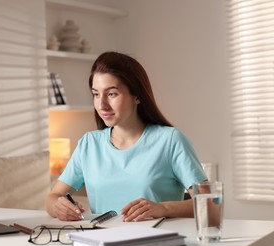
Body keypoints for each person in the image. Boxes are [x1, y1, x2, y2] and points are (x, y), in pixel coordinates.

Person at [45, 51, 207, 222]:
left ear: (137, 95)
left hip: (156, 243)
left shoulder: (170, 140)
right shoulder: (89, 144)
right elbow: (53, 197)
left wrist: (162, 208)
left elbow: (210, 203)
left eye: (112, 94)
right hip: (101, 243)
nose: (102, 105)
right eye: (96, 94)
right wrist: (58, 207)